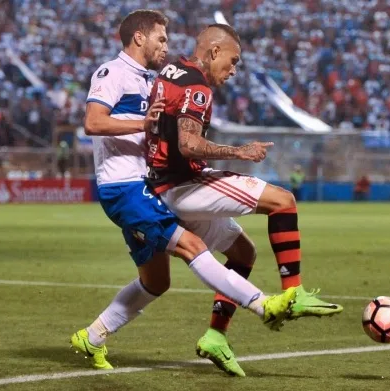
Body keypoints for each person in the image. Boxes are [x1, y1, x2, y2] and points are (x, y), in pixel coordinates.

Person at [70, 10, 311, 373]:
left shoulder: (152, 78)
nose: (166, 46)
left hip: (149, 185)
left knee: (157, 281)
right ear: (139, 38)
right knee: (192, 247)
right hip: (125, 187)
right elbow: (92, 122)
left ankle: (93, 335)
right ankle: (263, 305)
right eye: (161, 39)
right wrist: (145, 122)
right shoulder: (112, 73)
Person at [146, 23, 344, 377]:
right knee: (283, 201)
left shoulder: (171, 70)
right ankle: (293, 292)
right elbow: (188, 145)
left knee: (243, 253)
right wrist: (240, 151)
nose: (234, 69)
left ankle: (215, 337)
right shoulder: (197, 84)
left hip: (164, 185)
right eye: (233, 61)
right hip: (183, 184)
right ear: (213, 52)